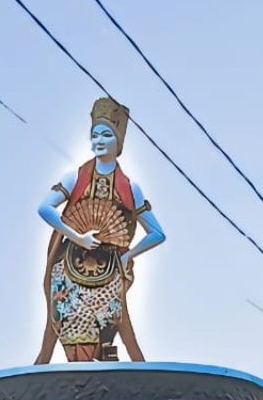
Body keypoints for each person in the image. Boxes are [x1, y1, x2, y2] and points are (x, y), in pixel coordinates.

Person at [33, 96, 166, 362]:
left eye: (106, 134)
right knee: (69, 323)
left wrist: (128, 255)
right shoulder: (77, 177)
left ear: (118, 142)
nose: (99, 141)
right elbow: (45, 208)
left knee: (110, 323)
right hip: (70, 267)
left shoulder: (129, 188)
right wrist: (77, 237)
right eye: (95, 135)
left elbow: (157, 233)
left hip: (110, 270)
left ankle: (108, 360)